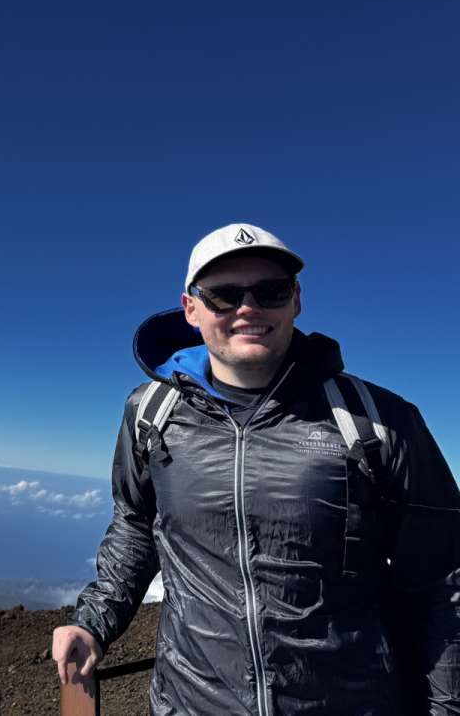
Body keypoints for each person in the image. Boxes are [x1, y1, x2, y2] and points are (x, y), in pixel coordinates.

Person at [52, 223, 460, 715]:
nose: (248, 308)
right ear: (191, 309)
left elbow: (444, 581)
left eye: (270, 291)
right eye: (224, 295)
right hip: (193, 702)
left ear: (296, 300)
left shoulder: (376, 421)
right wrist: (95, 619)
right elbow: (138, 525)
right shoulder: (150, 413)